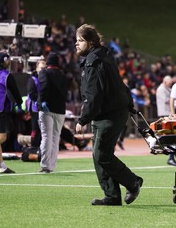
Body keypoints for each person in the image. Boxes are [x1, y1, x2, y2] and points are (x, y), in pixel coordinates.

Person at [75, 24, 143, 206]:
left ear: (90, 42)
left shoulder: (94, 60)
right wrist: (129, 103)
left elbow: (93, 94)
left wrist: (83, 119)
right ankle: (112, 196)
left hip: (110, 114)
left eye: (80, 40)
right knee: (99, 155)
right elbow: (118, 83)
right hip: (108, 112)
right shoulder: (102, 56)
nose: (76, 44)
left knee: (102, 155)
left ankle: (132, 182)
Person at [37, 53, 67, 173]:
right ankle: (52, 165)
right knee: (55, 138)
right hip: (60, 110)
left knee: (46, 136)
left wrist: (42, 101)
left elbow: (43, 87)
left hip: (47, 109)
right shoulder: (63, 75)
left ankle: (45, 165)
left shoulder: (44, 73)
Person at [0, 52, 23, 173]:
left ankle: (2, 166)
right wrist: (19, 104)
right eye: (6, 60)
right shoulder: (6, 75)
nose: (8, 62)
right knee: (2, 137)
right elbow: (15, 92)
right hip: (0, 110)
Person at [25, 58, 46, 152]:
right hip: (34, 107)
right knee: (35, 128)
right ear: (37, 68)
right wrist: (41, 99)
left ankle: (41, 147)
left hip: (44, 107)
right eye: (41, 68)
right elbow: (32, 94)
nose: (42, 70)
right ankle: (33, 146)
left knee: (43, 129)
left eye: (44, 68)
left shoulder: (46, 79)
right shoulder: (32, 79)